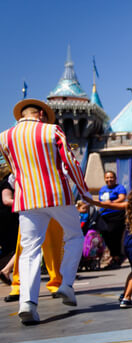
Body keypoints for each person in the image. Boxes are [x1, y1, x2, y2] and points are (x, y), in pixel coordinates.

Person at [0, 99, 88, 323]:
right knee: (75, 236)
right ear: (40, 114)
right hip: (57, 194)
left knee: (29, 250)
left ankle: (27, 303)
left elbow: (14, 170)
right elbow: (70, 162)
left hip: (27, 200)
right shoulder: (51, 130)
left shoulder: (4, 137)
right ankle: (66, 284)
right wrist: (84, 191)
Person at [97, 171, 127, 268]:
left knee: (115, 236)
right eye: (107, 177)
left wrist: (111, 203)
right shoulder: (103, 189)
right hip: (105, 215)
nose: (109, 179)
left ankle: (116, 257)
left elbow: (122, 198)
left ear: (115, 178)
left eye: (111, 177)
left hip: (116, 214)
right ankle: (113, 256)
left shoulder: (120, 188)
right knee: (105, 235)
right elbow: (101, 201)